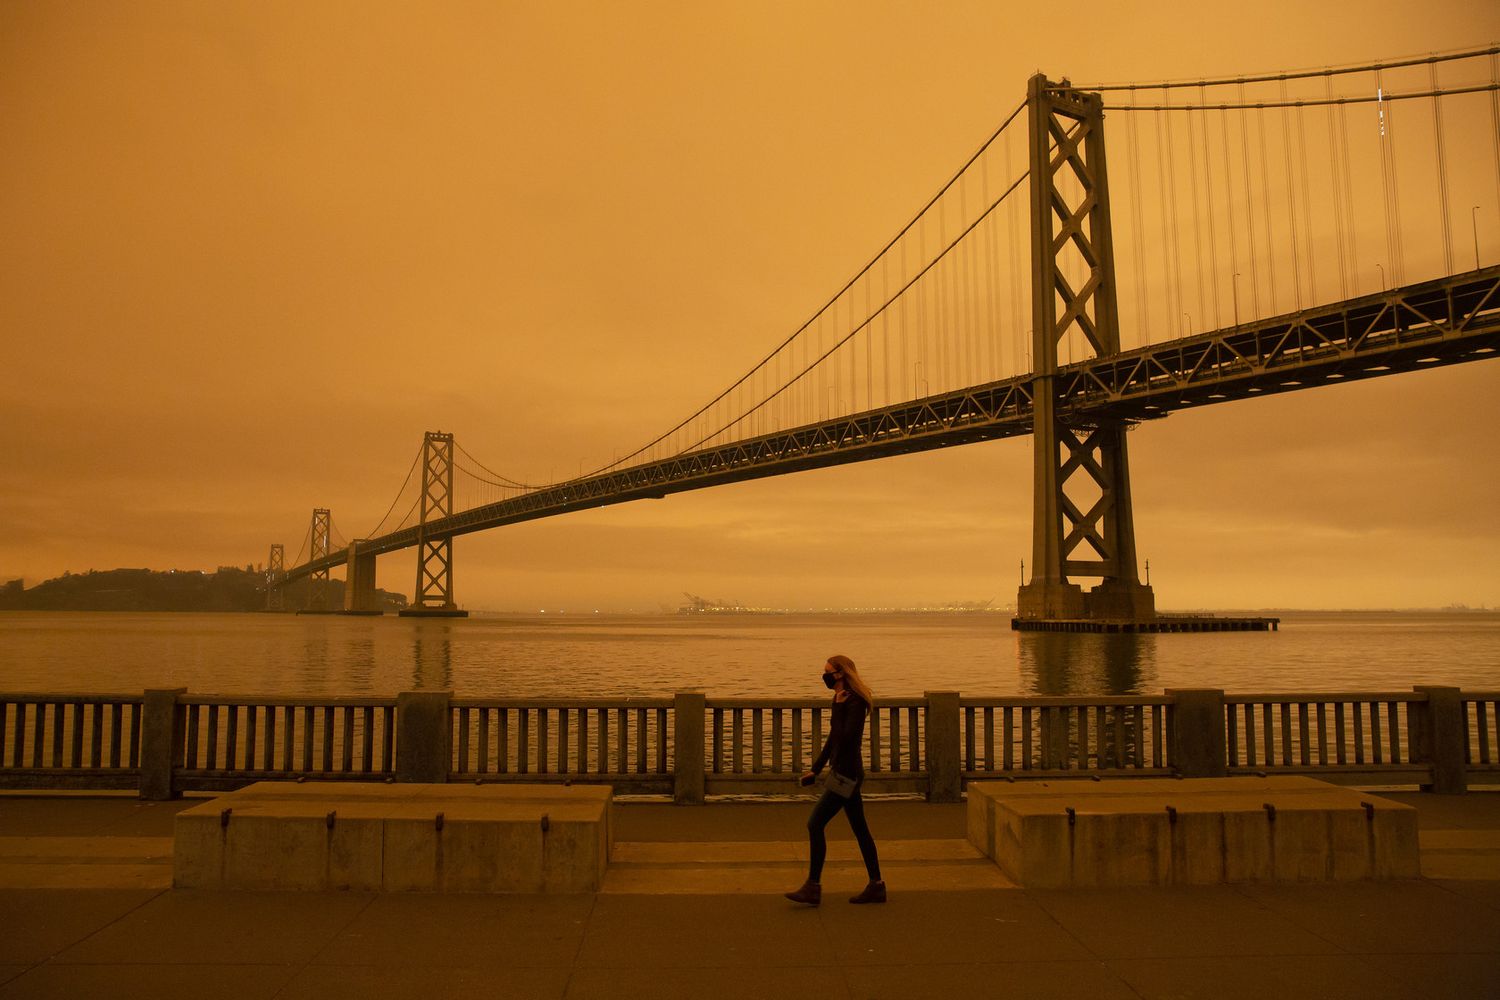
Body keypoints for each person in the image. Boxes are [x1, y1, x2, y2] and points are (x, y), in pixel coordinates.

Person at [784, 654, 885, 906]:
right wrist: (816, 769)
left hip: (847, 774)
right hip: (843, 771)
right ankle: (877, 885)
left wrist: (839, 708)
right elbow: (832, 739)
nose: (825, 675)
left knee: (815, 824)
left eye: (828, 671)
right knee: (860, 830)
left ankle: (813, 887)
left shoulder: (853, 701)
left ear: (840, 673)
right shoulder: (840, 699)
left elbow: (846, 737)